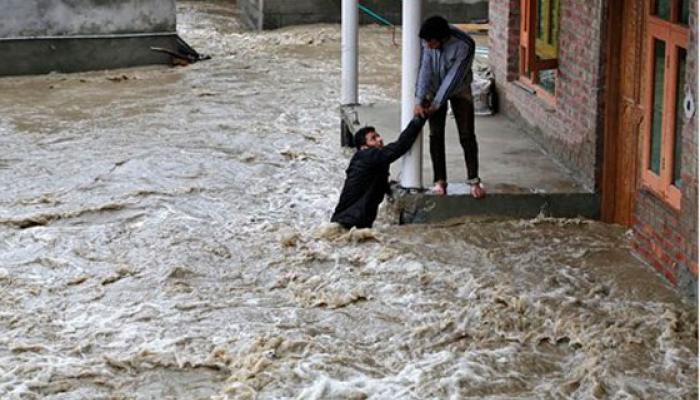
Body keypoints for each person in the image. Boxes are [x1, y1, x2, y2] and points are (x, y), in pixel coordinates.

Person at [413, 15, 485, 198]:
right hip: (434, 87)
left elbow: (453, 79)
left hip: (459, 87)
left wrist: (437, 104)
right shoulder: (427, 40)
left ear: (443, 39)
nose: (428, 46)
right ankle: (440, 181)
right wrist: (419, 99)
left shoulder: (465, 45)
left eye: (431, 43)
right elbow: (425, 68)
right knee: (435, 134)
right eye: (426, 42)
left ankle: (474, 181)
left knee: (467, 134)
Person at [331, 117, 426, 229]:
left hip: (348, 222)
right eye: (373, 138)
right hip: (352, 223)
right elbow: (400, 146)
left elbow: (373, 183)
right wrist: (419, 119)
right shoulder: (370, 155)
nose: (380, 139)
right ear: (364, 147)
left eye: (378, 136)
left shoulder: (365, 160)